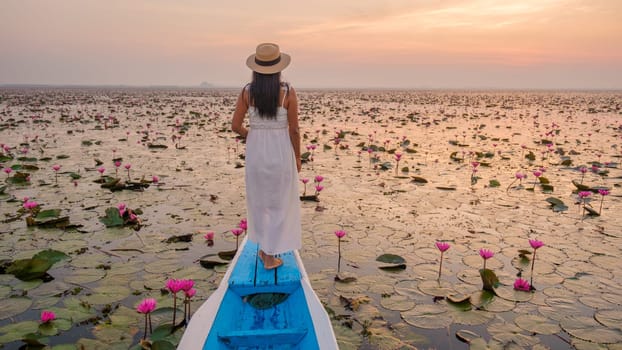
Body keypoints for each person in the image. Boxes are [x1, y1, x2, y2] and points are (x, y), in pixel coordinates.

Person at [231, 43, 302, 270]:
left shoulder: (246, 92)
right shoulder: (288, 92)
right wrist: (298, 157)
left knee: (259, 201)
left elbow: (235, 126)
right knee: (280, 201)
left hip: (256, 153)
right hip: (280, 151)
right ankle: (270, 256)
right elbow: (294, 130)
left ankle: (264, 249)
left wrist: (251, 135)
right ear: (279, 68)